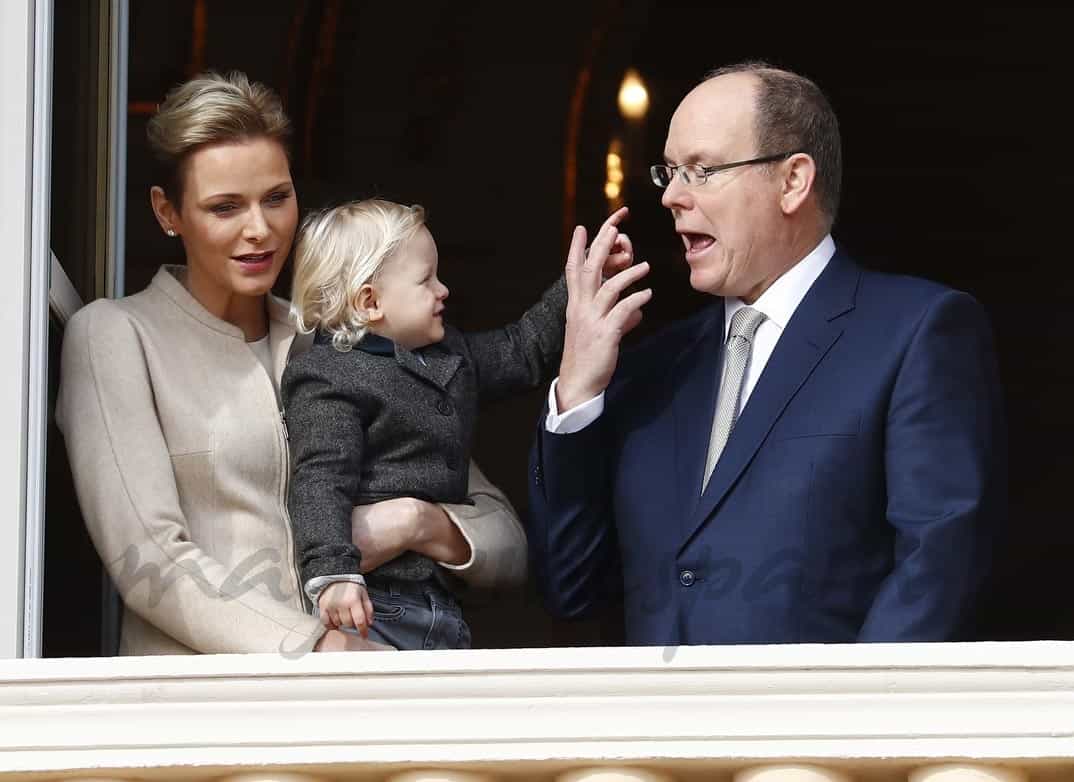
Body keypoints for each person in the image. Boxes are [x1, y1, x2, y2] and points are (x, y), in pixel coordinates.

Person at [528, 60, 1007, 645]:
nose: (673, 196)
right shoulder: (653, 367)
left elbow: (938, 565)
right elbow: (572, 588)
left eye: (702, 170)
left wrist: (847, 727)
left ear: (793, 181)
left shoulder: (916, 333)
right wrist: (577, 392)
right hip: (659, 732)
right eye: (670, 172)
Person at [55, 71, 529, 656]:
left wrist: (416, 522)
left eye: (277, 198)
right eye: (225, 207)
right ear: (167, 212)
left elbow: (503, 540)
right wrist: (318, 650)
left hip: (366, 703)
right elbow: (149, 559)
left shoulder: (344, 341)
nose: (260, 230)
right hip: (203, 717)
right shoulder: (116, 337)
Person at [281, 198, 635, 649]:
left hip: (442, 606)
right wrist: (333, 573)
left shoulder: (450, 357)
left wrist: (581, 286)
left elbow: (522, 349)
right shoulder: (328, 376)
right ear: (369, 302)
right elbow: (320, 478)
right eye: (425, 279)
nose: (443, 289)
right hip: (373, 607)